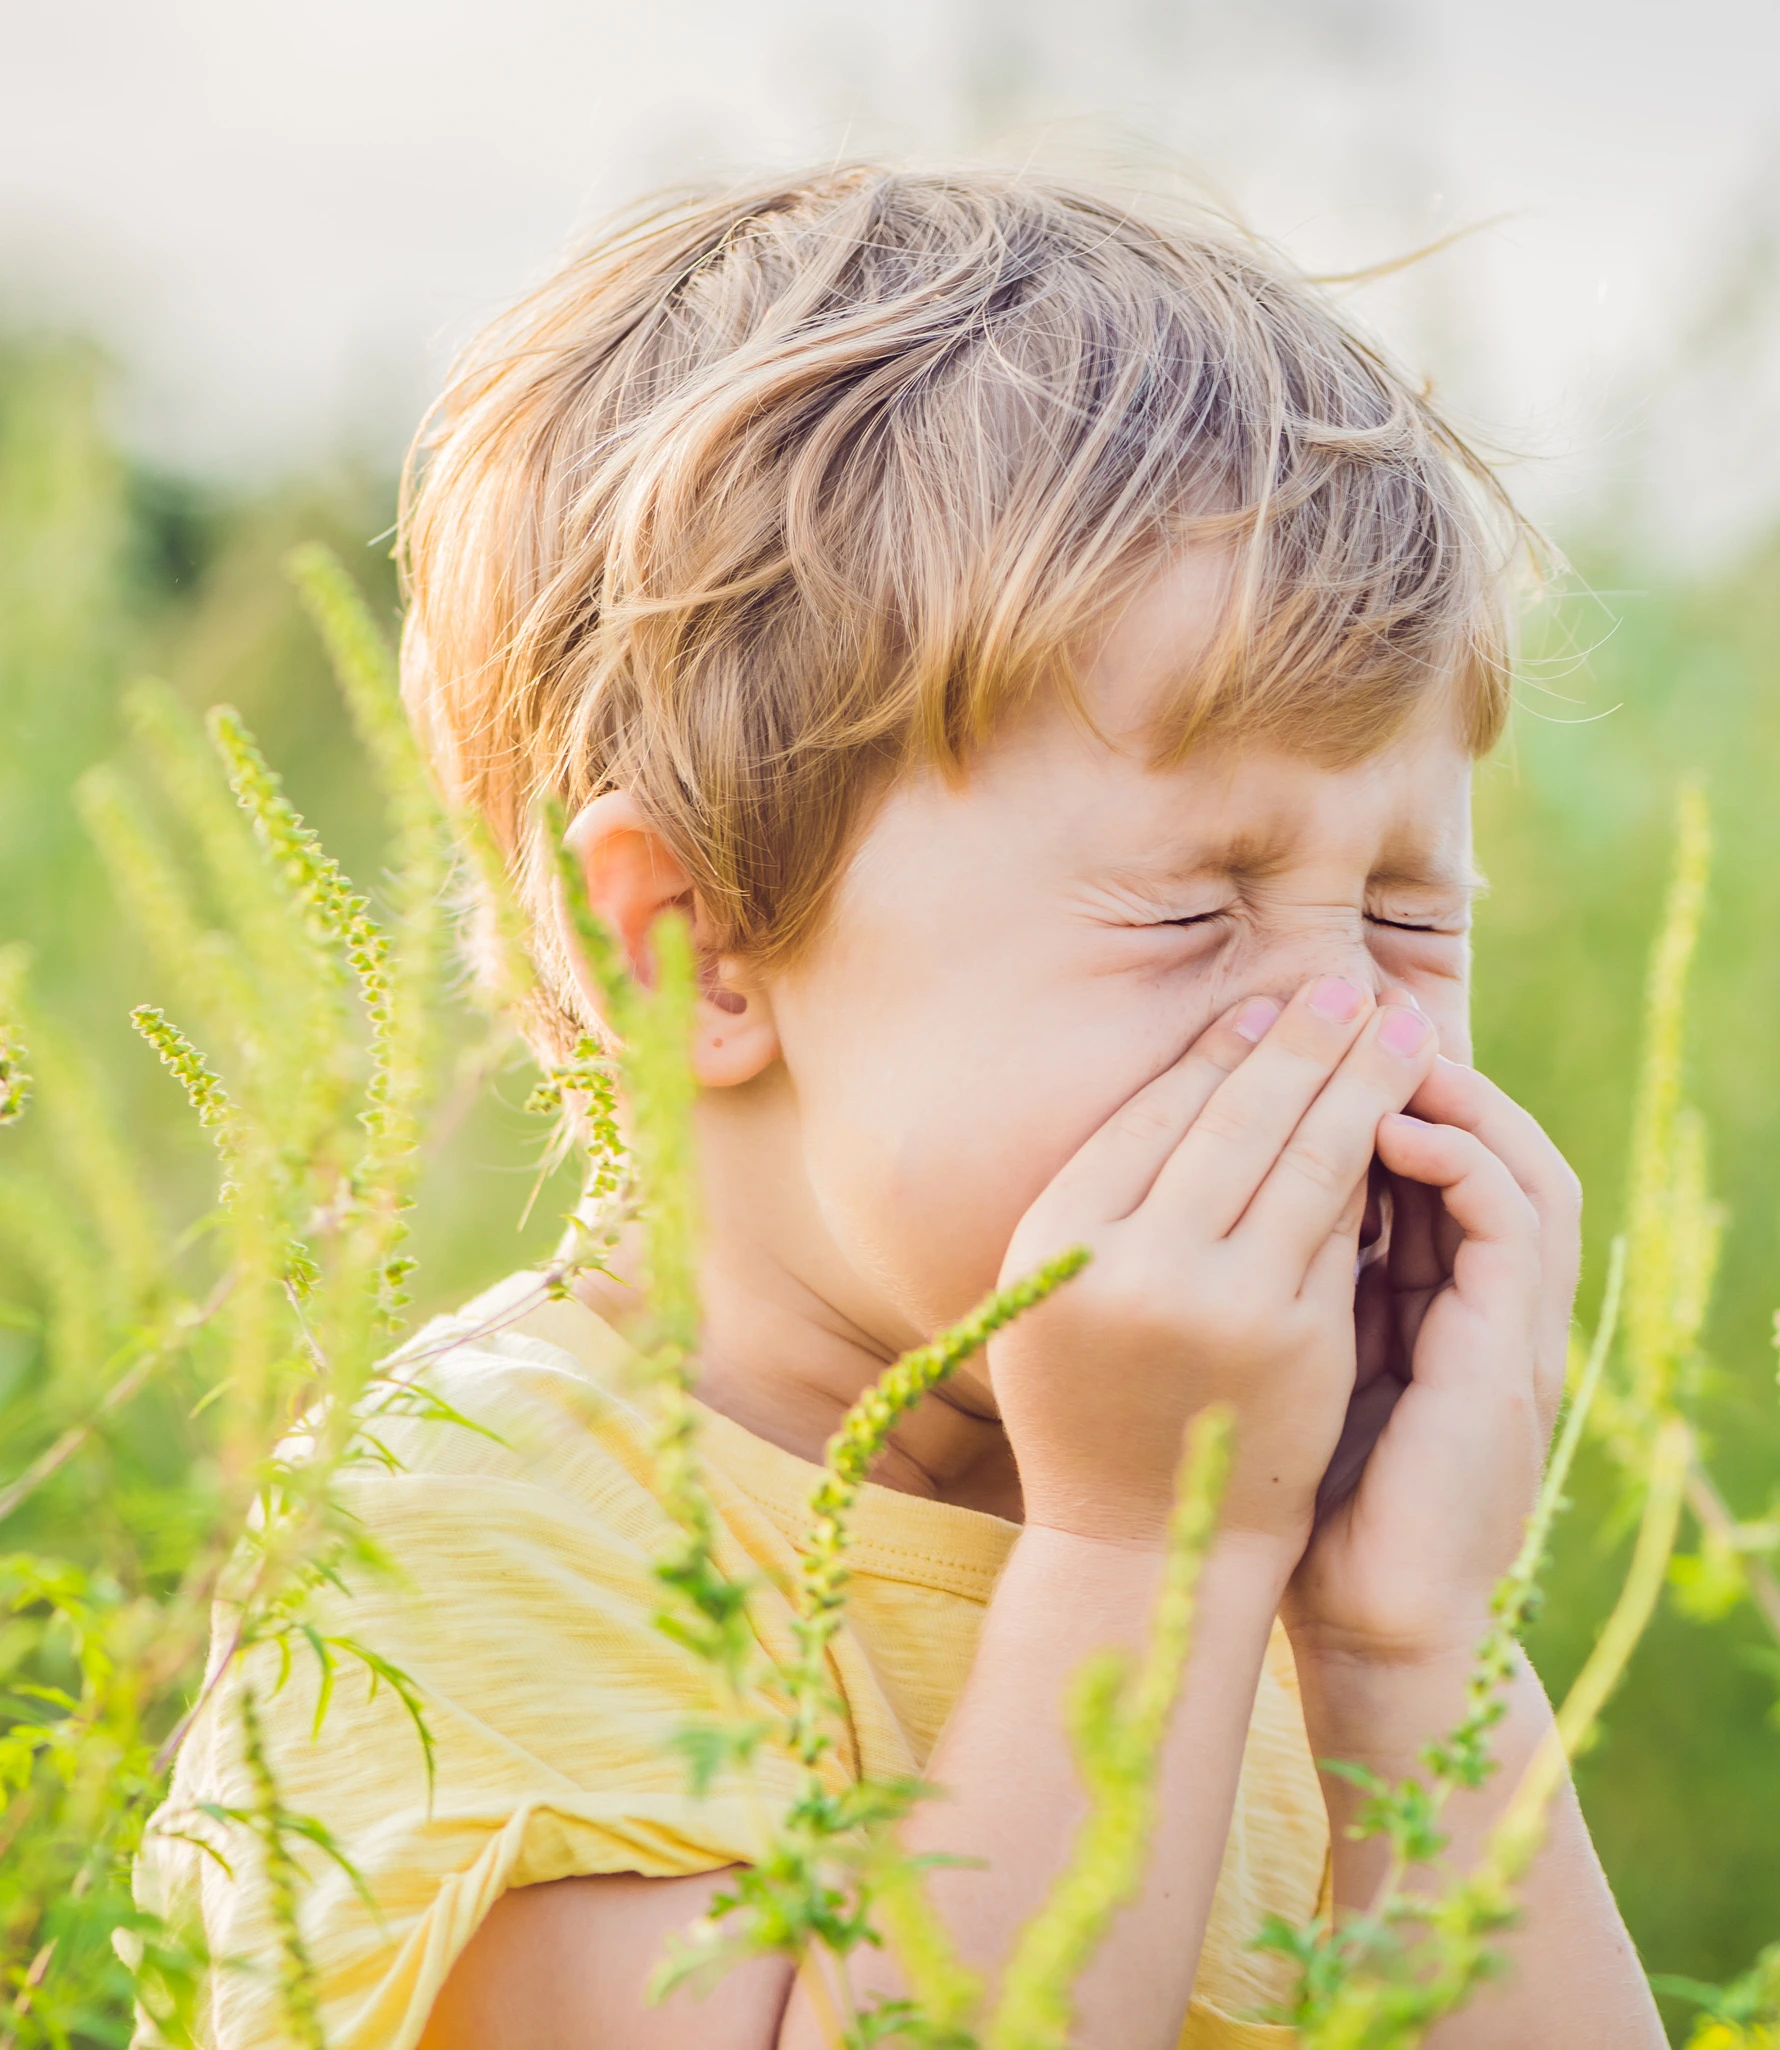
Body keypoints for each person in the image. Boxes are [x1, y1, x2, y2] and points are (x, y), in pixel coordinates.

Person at [138, 163, 1667, 2050]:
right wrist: (1143, 1563)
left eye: (1411, 914)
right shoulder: (468, 1542)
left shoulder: (1281, 1561)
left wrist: (1418, 1654)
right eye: (1192, 909)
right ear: (691, 951)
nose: (1348, 1026)